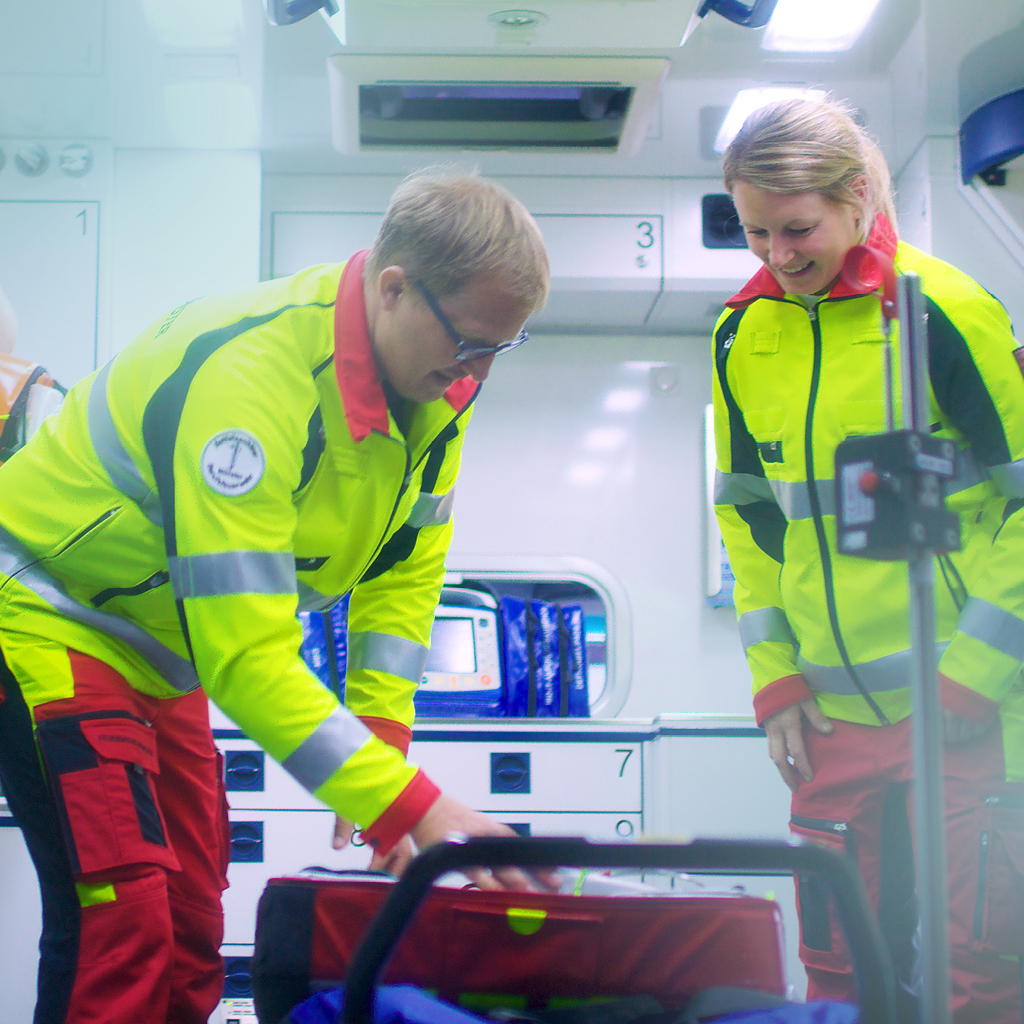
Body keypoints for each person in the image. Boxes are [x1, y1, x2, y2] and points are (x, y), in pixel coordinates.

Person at [0, 167, 553, 1024]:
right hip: (48, 615)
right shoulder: (249, 376)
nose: (477, 372)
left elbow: (405, 568)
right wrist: (417, 804)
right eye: (472, 343)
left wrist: (381, 739)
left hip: (163, 651)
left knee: (193, 921)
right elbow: (248, 656)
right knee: (125, 917)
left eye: (499, 349)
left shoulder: (441, 387)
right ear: (394, 288)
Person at [712, 97, 1024, 1024]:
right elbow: (750, 519)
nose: (778, 253)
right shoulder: (740, 337)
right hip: (830, 721)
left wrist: (975, 673)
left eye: (798, 227)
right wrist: (776, 684)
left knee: (983, 973)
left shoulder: (947, 313)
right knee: (841, 974)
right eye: (755, 230)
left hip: (967, 713)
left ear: (857, 199)